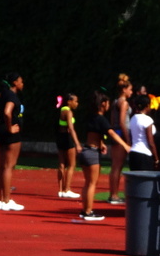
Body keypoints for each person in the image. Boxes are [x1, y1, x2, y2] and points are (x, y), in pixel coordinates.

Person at [77, 90, 130, 221]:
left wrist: (101, 143)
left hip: (86, 150)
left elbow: (94, 133)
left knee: (87, 183)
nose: (109, 106)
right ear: (103, 104)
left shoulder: (91, 117)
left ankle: (85, 210)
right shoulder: (101, 119)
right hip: (92, 153)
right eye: (107, 104)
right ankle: (88, 212)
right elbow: (111, 133)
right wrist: (125, 145)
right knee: (91, 183)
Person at [0, 73, 26, 212]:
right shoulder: (11, 96)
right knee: (9, 166)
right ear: (15, 83)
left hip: (1, 132)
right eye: (21, 81)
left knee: (2, 166)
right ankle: (6, 200)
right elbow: (7, 112)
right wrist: (9, 128)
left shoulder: (3, 95)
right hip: (10, 133)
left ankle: (2, 198)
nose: (22, 84)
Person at [107, 74, 132, 205]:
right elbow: (122, 122)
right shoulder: (123, 103)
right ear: (124, 89)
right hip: (121, 134)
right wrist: (127, 139)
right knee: (117, 166)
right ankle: (114, 195)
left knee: (115, 165)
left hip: (116, 133)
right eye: (130, 89)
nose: (131, 92)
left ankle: (113, 194)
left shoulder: (115, 102)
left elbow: (113, 120)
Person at [56, 93, 82, 198]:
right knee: (71, 164)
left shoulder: (61, 111)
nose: (77, 103)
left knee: (62, 164)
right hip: (67, 138)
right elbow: (71, 129)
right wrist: (77, 144)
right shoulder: (68, 112)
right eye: (75, 101)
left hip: (60, 137)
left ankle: (61, 190)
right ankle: (67, 189)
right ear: (69, 102)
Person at [127, 93, 159, 171]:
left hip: (133, 153)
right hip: (144, 154)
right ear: (147, 105)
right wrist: (156, 158)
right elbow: (150, 142)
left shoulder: (133, 118)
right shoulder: (147, 120)